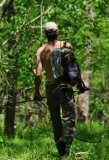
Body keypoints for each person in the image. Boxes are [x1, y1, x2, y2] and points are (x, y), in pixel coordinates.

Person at [33, 22, 76, 156]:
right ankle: (66, 141)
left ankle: (61, 152)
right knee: (69, 116)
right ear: (57, 32)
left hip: (50, 87)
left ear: (45, 34)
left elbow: (38, 74)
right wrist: (79, 84)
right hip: (65, 87)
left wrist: (37, 92)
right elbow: (73, 67)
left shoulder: (41, 50)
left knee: (56, 120)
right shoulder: (67, 46)